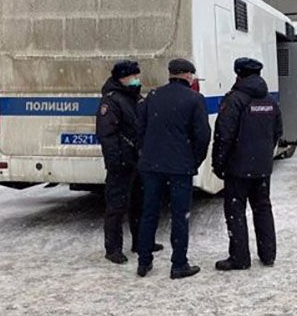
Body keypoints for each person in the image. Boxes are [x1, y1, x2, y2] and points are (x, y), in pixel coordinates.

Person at [136, 58, 211, 279]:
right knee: (180, 216)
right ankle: (179, 264)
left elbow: (140, 129)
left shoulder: (153, 96)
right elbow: (202, 136)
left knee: (149, 213)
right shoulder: (195, 99)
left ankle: (143, 261)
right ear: (188, 75)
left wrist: (147, 153)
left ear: (171, 74)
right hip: (180, 167)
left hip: (152, 165)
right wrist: (193, 160)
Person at [212, 58, 282, 271]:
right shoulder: (270, 101)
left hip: (238, 168)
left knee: (235, 211)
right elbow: (278, 131)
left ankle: (240, 257)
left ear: (239, 74)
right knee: (263, 208)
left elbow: (224, 135)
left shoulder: (234, 100)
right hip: (262, 167)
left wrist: (219, 163)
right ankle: (268, 253)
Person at [96, 60, 155, 264]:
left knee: (139, 202)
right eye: (133, 76)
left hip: (138, 160)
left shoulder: (135, 97)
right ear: (122, 78)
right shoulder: (111, 101)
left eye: (137, 76)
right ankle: (113, 248)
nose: (136, 79)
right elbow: (107, 135)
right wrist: (115, 161)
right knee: (116, 206)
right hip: (121, 162)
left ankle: (140, 241)